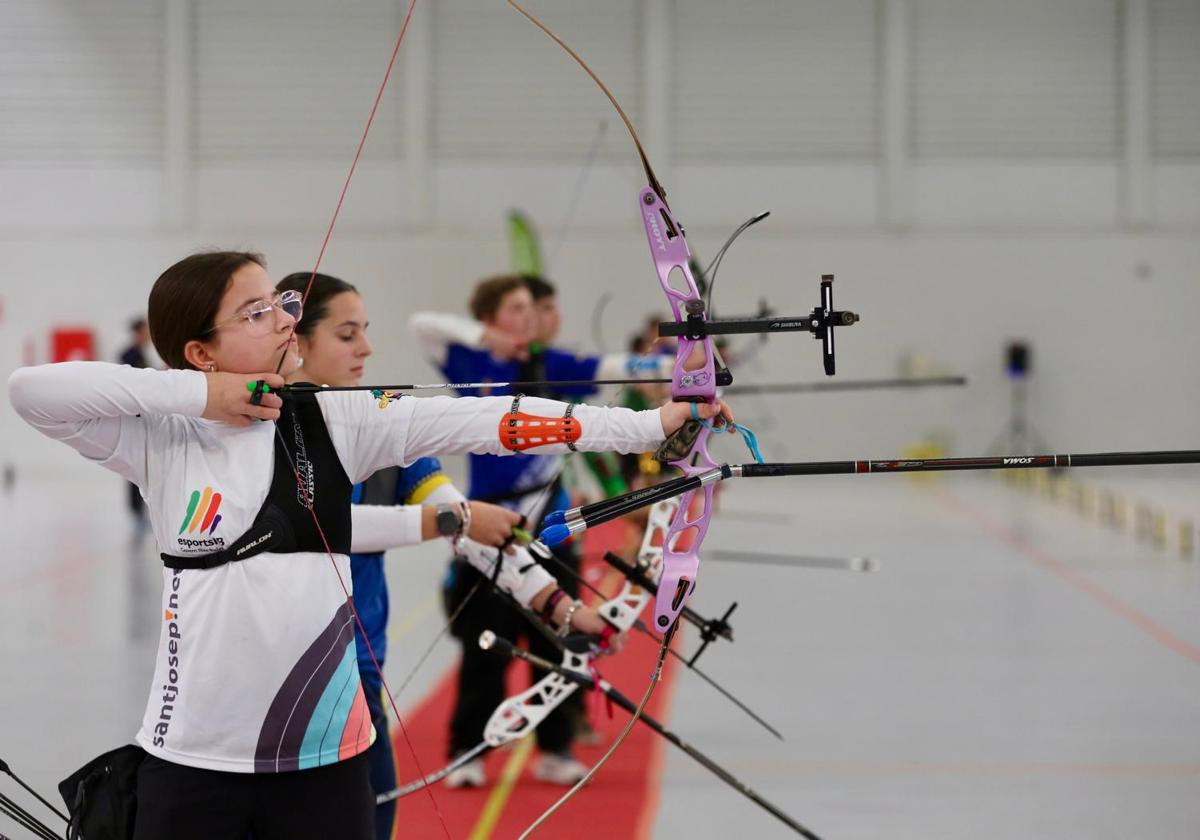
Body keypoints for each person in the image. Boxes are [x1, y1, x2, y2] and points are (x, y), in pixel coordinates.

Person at [8, 251, 732, 840]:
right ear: (201, 349)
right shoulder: (162, 439)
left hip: (327, 763)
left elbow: (489, 420)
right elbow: (32, 390)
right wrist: (203, 396)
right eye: (257, 313)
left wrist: (645, 426)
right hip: (192, 761)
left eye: (283, 306)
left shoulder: (344, 420)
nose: (282, 321)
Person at [276, 271, 563, 838]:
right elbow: (321, 529)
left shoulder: (383, 423)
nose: (367, 348)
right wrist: (446, 520)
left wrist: (558, 605)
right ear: (297, 341)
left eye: (366, 331)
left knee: (374, 820)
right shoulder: (257, 428)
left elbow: (468, 527)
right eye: (346, 334)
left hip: (359, 673)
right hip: (280, 681)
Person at [409, 274, 673, 787]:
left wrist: (677, 368)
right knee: (486, 647)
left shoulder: (550, 365)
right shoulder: (471, 361)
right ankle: (469, 752)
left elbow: (619, 367)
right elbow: (422, 326)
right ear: (490, 317)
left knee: (558, 644)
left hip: (551, 530)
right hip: (487, 525)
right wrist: (485, 339)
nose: (528, 318)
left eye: (532, 308)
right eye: (515, 308)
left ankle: (554, 748)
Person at [118, 317, 153, 527]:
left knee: (141, 464)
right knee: (134, 464)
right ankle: (135, 511)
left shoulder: (140, 355)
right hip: (133, 417)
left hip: (141, 416)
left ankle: (139, 509)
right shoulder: (129, 355)